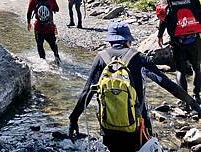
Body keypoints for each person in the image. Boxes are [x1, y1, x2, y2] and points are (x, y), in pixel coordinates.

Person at [69, 21, 201, 152]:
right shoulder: (139, 58)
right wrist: (193, 104)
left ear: (110, 41)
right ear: (128, 40)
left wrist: (73, 119)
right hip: (137, 125)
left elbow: (87, 92)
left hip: (108, 127)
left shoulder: (101, 58)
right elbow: (167, 84)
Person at [157, 0, 201, 102]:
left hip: (176, 41)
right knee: (196, 68)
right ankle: (196, 95)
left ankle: (184, 98)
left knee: (180, 70)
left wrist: (160, 35)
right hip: (194, 39)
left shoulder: (167, 1)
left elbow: (163, 20)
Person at [27, 0, 61, 64]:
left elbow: (29, 12)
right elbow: (57, 9)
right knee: (53, 44)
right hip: (49, 26)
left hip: (38, 27)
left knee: (40, 45)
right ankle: (57, 58)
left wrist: (28, 23)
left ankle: (43, 62)